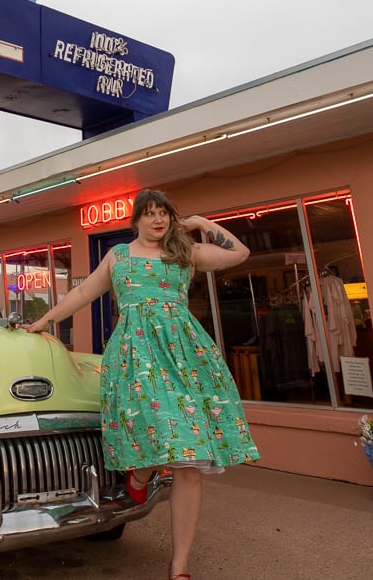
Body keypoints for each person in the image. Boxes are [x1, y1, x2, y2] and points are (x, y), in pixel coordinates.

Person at [27, 189, 260, 580]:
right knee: (155, 429)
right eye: (150, 214)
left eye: (164, 214)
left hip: (185, 356)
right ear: (135, 220)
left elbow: (240, 254)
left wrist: (202, 224)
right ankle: (143, 470)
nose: (158, 220)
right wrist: (42, 322)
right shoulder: (119, 256)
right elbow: (84, 291)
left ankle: (179, 566)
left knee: (190, 458)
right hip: (136, 356)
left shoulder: (185, 253)